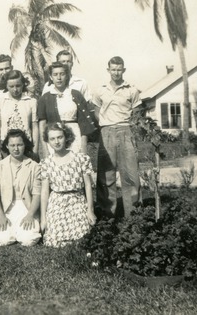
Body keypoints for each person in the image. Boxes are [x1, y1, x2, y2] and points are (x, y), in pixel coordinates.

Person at [92, 56, 142, 218]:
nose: (116, 72)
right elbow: (95, 109)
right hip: (106, 131)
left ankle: (133, 215)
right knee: (106, 175)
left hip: (125, 130)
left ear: (124, 70)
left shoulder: (131, 89)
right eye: (113, 69)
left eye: (119, 69)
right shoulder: (101, 90)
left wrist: (130, 128)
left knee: (130, 174)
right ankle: (107, 215)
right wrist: (105, 124)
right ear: (108, 70)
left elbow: (137, 112)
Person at [39, 122, 96, 248]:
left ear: (66, 137)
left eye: (60, 137)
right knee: (53, 241)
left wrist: (90, 210)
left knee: (83, 238)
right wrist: (43, 218)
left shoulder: (81, 158)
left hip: (77, 201)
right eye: (52, 139)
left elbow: (88, 186)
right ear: (48, 141)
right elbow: (44, 192)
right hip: (57, 203)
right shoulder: (46, 163)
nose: (57, 142)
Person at [0, 129, 42, 246]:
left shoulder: (34, 167)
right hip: (5, 208)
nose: (16, 149)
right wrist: (1, 216)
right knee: (1, 240)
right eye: (12, 145)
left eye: (19, 145)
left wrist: (30, 214)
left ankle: (23, 232)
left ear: (25, 145)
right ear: (7, 146)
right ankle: (10, 232)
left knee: (28, 240)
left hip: (26, 207)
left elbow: (37, 194)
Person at [37, 62, 96, 159]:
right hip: (54, 138)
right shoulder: (45, 98)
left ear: (67, 76)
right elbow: (42, 124)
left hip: (74, 137)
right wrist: (44, 148)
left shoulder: (76, 95)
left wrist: (83, 145)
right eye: (55, 74)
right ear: (51, 77)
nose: (59, 78)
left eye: (62, 74)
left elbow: (84, 123)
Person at [0, 69, 39, 161]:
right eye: (11, 86)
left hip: (26, 146)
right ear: (6, 86)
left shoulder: (31, 102)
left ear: (23, 84)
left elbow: (35, 127)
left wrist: (35, 149)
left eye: (18, 85)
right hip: (5, 146)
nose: (15, 89)